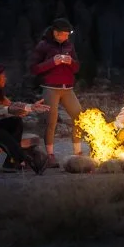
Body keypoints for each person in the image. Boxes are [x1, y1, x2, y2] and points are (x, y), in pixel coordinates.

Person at [29, 18, 88, 159]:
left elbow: (77, 67)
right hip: (50, 88)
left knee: (79, 117)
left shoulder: (69, 46)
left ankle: (78, 152)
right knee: (52, 121)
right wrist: (52, 62)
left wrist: (71, 62)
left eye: (68, 34)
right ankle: (50, 155)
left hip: (68, 89)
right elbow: (34, 68)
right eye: (65, 34)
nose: (67, 37)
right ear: (56, 33)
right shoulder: (43, 45)